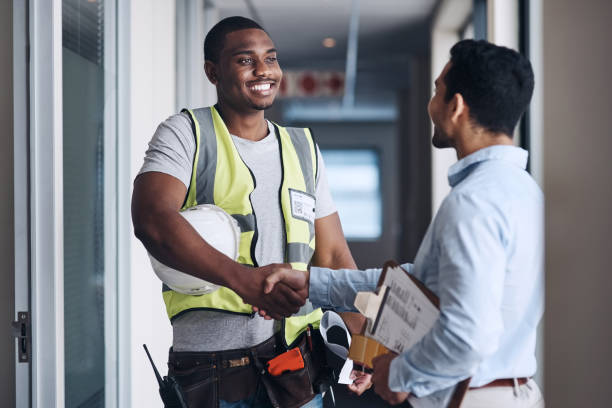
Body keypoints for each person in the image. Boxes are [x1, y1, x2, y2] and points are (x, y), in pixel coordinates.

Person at [263, 39, 544, 408]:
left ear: (456, 107)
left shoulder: (473, 202)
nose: (432, 105)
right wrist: (312, 282)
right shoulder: (525, 192)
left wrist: (399, 374)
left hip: (470, 398)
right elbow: (421, 284)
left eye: (437, 91)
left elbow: (467, 335)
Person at [131, 16, 356, 408]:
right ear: (212, 72)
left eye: (271, 58)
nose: (264, 70)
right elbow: (152, 218)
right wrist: (244, 281)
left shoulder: (303, 147)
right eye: (245, 60)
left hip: (298, 370)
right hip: (213, 373)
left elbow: (335, 256)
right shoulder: (186, 133)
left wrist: (364, 350)